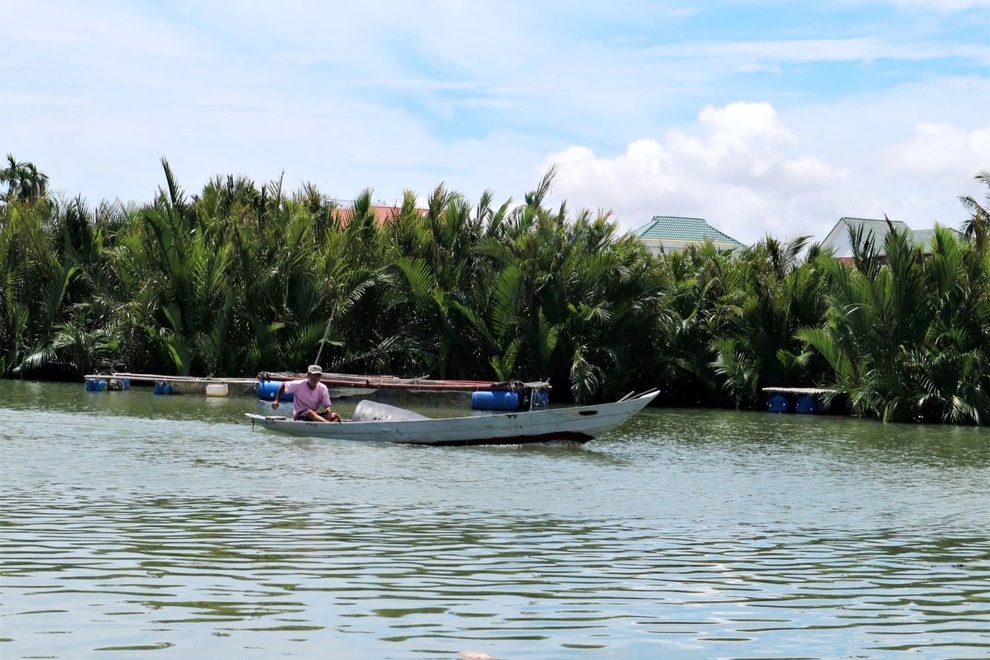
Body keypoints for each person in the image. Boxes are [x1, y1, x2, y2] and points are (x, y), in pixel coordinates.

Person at [271, 365, 341, 422]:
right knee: (310, 412)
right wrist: (277, 401)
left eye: (318, 375)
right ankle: (327, 425)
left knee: (334, 415)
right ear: (308, 375)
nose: (316, 378)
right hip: (300, 414)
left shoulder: (323, 388)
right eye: (314, 375)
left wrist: (328, 416)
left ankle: (327, 424)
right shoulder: (299, 384)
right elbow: (283, 385)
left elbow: (327, 406)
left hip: (314, 414)